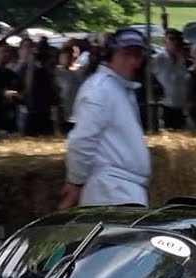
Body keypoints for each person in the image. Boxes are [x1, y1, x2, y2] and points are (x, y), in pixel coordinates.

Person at [59, 27, 152, 209]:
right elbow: (82, 140)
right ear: (111, 55)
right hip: (110, 192)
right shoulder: (100, 89)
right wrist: (75, 183)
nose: (134, 61)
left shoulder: (118, 88)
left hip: (122, 190)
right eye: (127, 54)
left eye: (138, 55)